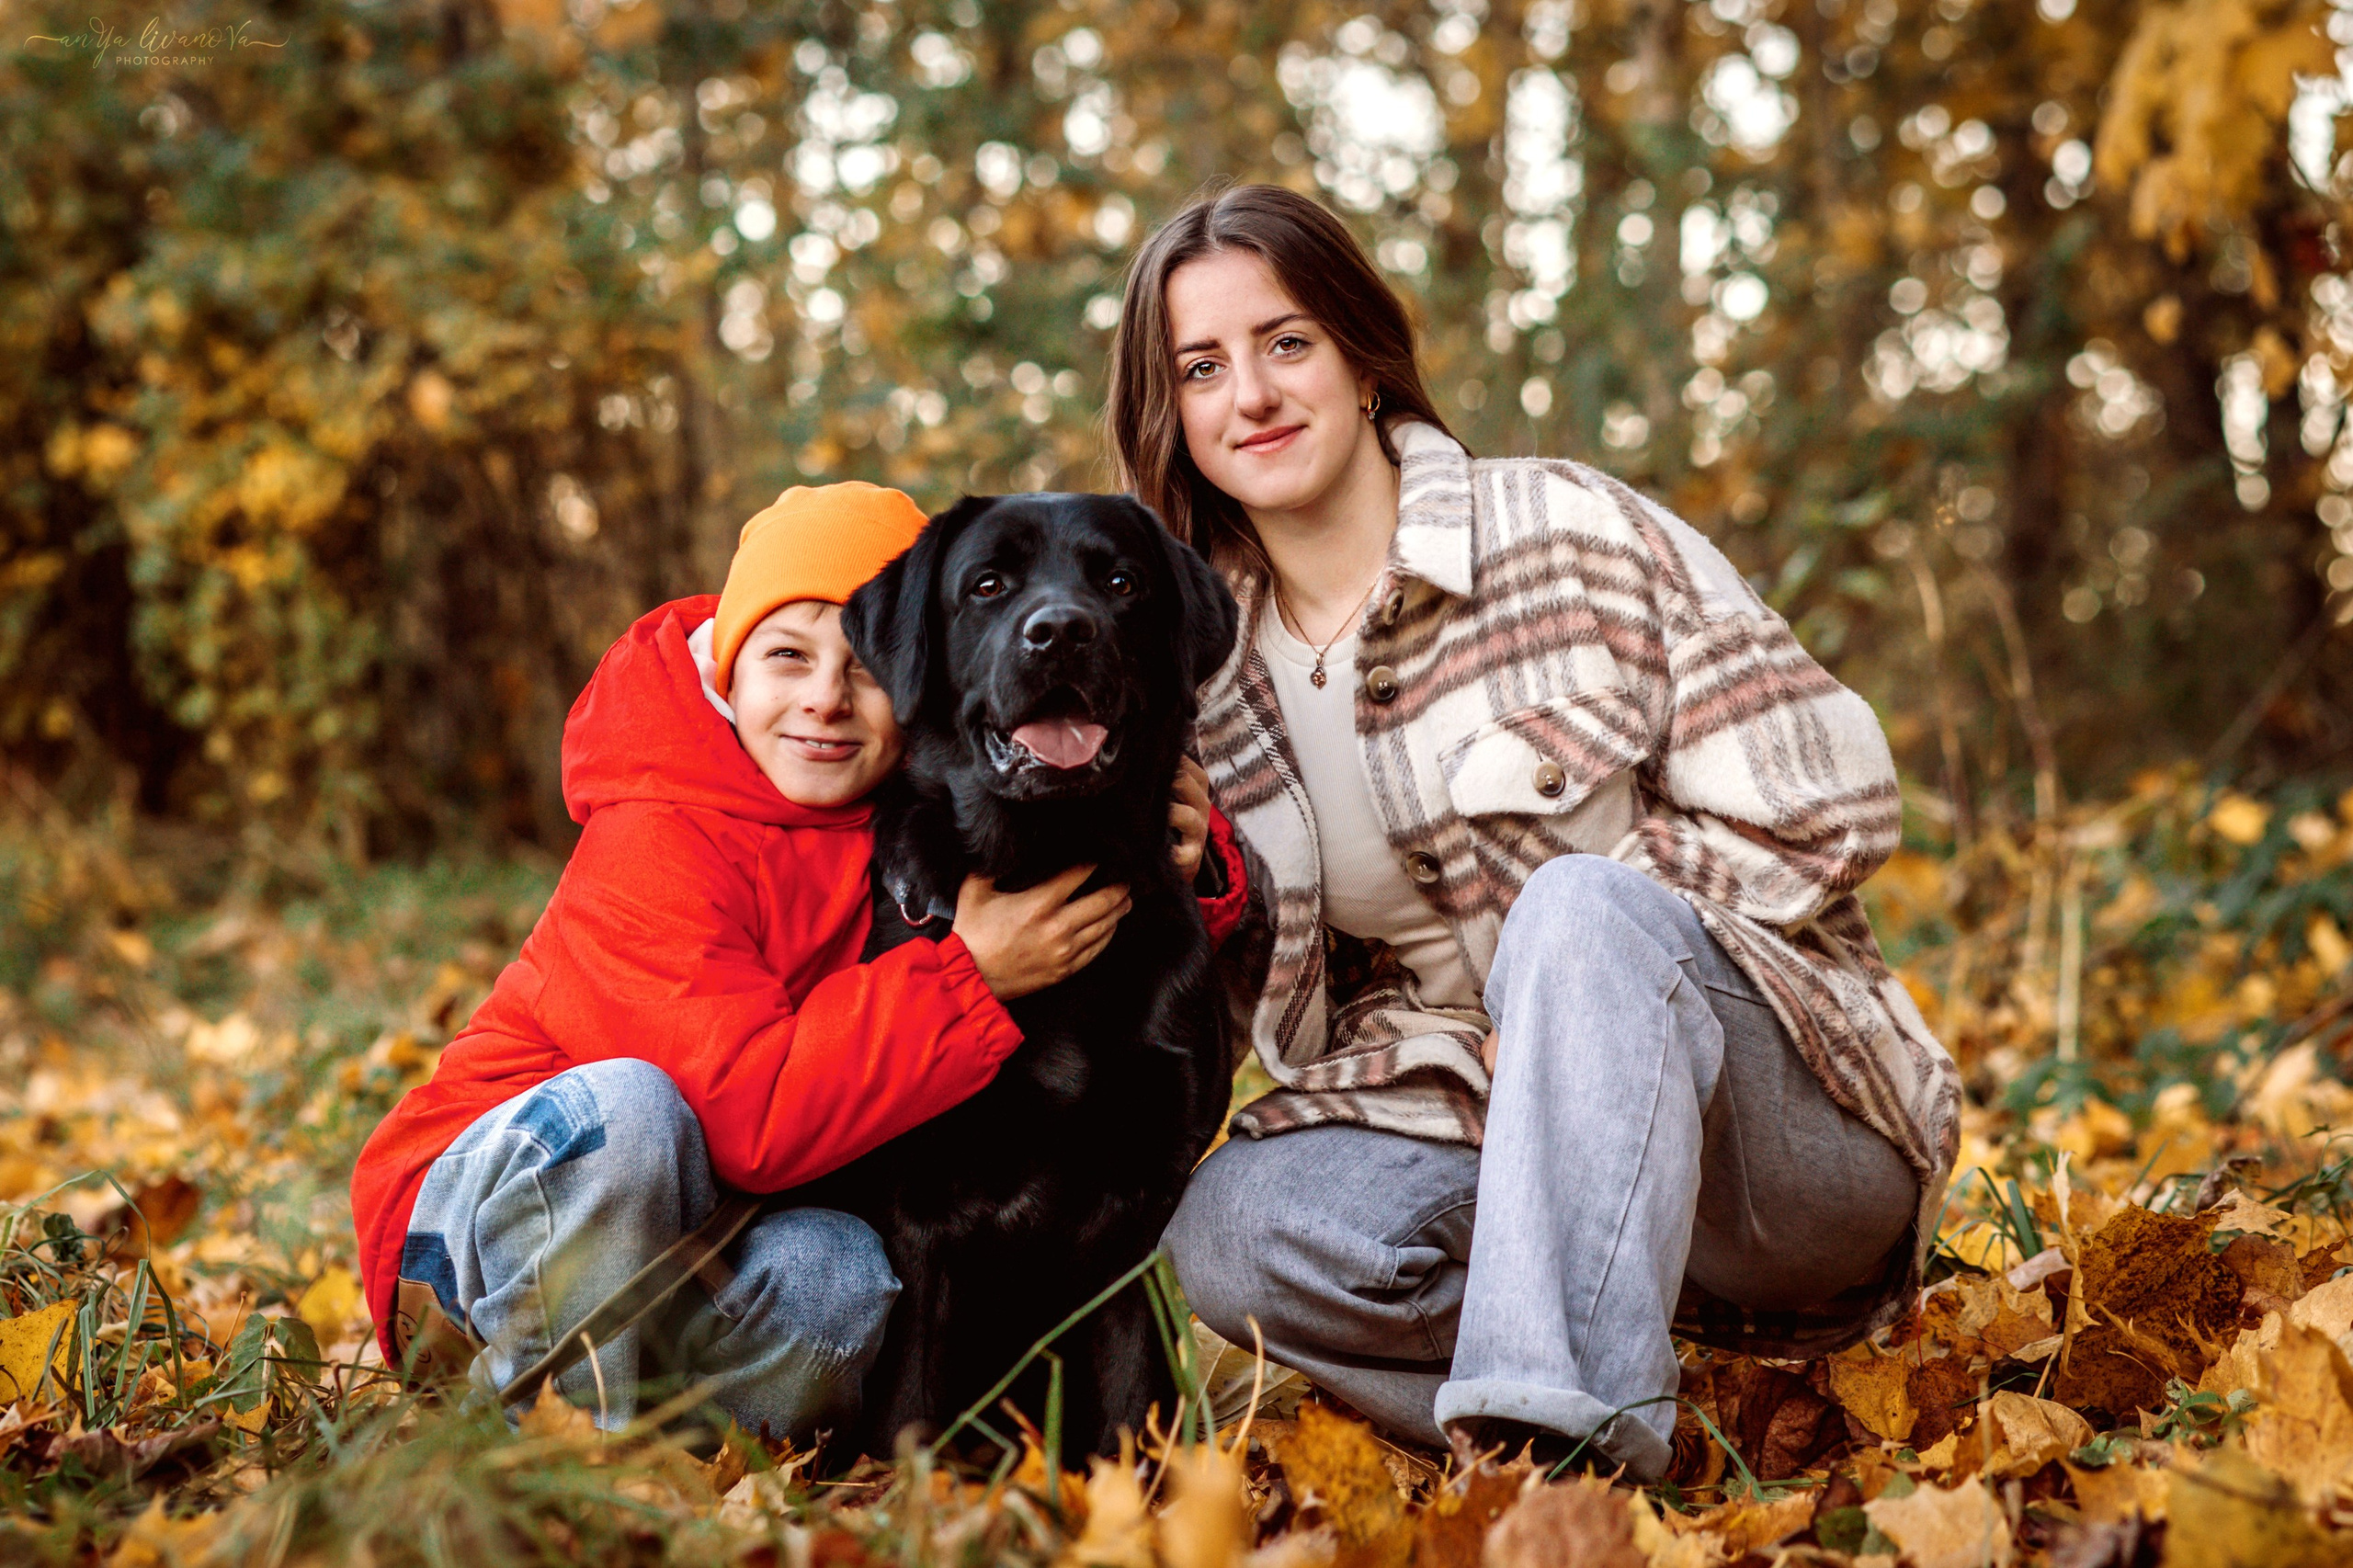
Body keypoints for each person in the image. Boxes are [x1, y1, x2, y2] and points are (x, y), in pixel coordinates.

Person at [1109, 184, 1961, 1480]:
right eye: (1203, 367)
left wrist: (1573, 990)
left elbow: (1827, 794)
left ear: (1361, 355)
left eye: (1287, 343)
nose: (1253, 396)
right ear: (1171, 412)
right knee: (1227, 1230)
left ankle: (1554, 1476)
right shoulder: (1195, 678)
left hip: (1783, 1151)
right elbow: (1251, 1034)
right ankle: (1659, 1389)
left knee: (1576, 911)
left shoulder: (1566, 531)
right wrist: (1196, 895)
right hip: (1474, 1149)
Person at [348, 482, 1245, 1441]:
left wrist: (1184, 858)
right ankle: (541, 1441)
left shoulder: (883, 813)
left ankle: (673, 1438)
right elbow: (747, 1114)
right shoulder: (657, 830)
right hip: (479, 1229)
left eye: (862, 668)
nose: (825, 697)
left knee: (843, 1280)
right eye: (785, 658)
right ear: (726, 672)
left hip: (688, 1240)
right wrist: (968, 979)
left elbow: (1047, 814)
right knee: (631, 1114)